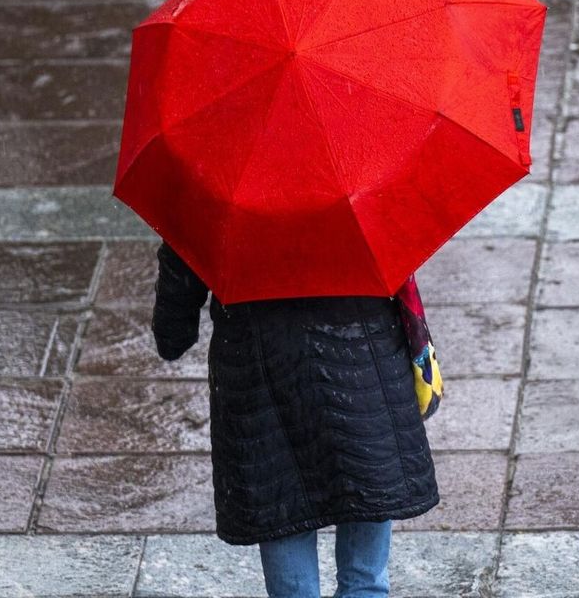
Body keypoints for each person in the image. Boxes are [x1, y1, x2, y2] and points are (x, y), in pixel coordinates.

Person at [151, 240, 440, 598]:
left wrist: (173, 322)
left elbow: (173, 335)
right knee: (365, 581)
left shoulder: (212, 193)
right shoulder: (364, 185)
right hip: (362, 370)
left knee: (285, 528)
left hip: (262, 387)